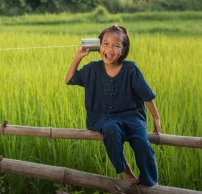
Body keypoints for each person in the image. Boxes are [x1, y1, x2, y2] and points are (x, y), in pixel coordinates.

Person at [65, 24, 161, 187]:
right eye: (105, 43)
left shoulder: (130, 69)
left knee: (142, 144)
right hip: (102, 118)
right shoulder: (92, 69)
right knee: (112, 130)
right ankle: (124, 169)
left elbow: (146, 95)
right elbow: (69, 79)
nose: (110, 49)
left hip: (132, 117)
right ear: (98, 46)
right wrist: (78, 57)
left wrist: (156, 118)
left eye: (116, 45)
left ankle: (150, 182)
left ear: (123, 50)